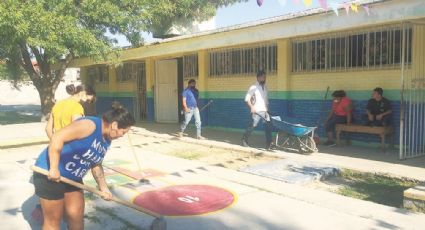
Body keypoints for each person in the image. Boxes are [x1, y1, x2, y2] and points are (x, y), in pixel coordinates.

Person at [33, 103, 135, 230]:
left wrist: (104, 188)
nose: (122, 136)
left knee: (76, 217)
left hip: (72, 179)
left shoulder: (106, 139)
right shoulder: (89, 125)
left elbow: (96, 163)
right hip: (49, 174)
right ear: (114, 125)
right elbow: (57, 137)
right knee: (53, 222)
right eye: (123, 132)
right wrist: (54, 168)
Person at [242, 70, 273, 150]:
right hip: (256, 110)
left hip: (265, 111)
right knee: (252, 126)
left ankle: (269, 144)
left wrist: (267, 108)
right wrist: (252, 107)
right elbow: (247, 99)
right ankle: (244, 140)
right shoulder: (253, 87)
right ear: (258, 78)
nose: (265, 79)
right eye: (263, 77)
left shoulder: (265, 87)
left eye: (265, 77)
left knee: (268, 127)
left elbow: (265, 100)